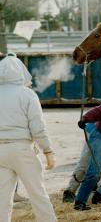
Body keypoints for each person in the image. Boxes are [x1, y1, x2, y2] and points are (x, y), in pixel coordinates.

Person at [0, 54, 57, 221]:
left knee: (2, 200)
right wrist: (48, 150)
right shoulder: (27, 94)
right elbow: (38, 127)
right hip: (22, 149)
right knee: (38, 194)